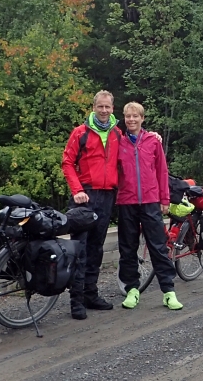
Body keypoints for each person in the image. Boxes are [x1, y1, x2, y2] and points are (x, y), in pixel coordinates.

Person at [116, 102, 183, 311]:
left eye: (136, 116)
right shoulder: (118, 141)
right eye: (128, 117)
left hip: (150, 201)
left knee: (158, 246)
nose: (132, 120)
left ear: (142, 119)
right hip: (126, 201)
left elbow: (162, 171)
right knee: (127, 248)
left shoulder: (153, 141)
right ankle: (132, 290)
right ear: (124, 119)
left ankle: (168, 291)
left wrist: (165, 199)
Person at [61, 90, 122, 319]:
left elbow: (131, 153)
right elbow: (67, 163)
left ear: (112, 109)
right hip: (84, 196)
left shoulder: (117, 133)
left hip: (106, 196)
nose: (104, 111)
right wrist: (77, 191)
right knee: (79, 250)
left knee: (96, 247)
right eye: (100, 107)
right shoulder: (81, 132)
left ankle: (90, 294)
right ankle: (76, 301)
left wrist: (153, 136)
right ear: (93, 107)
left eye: (108, 107)